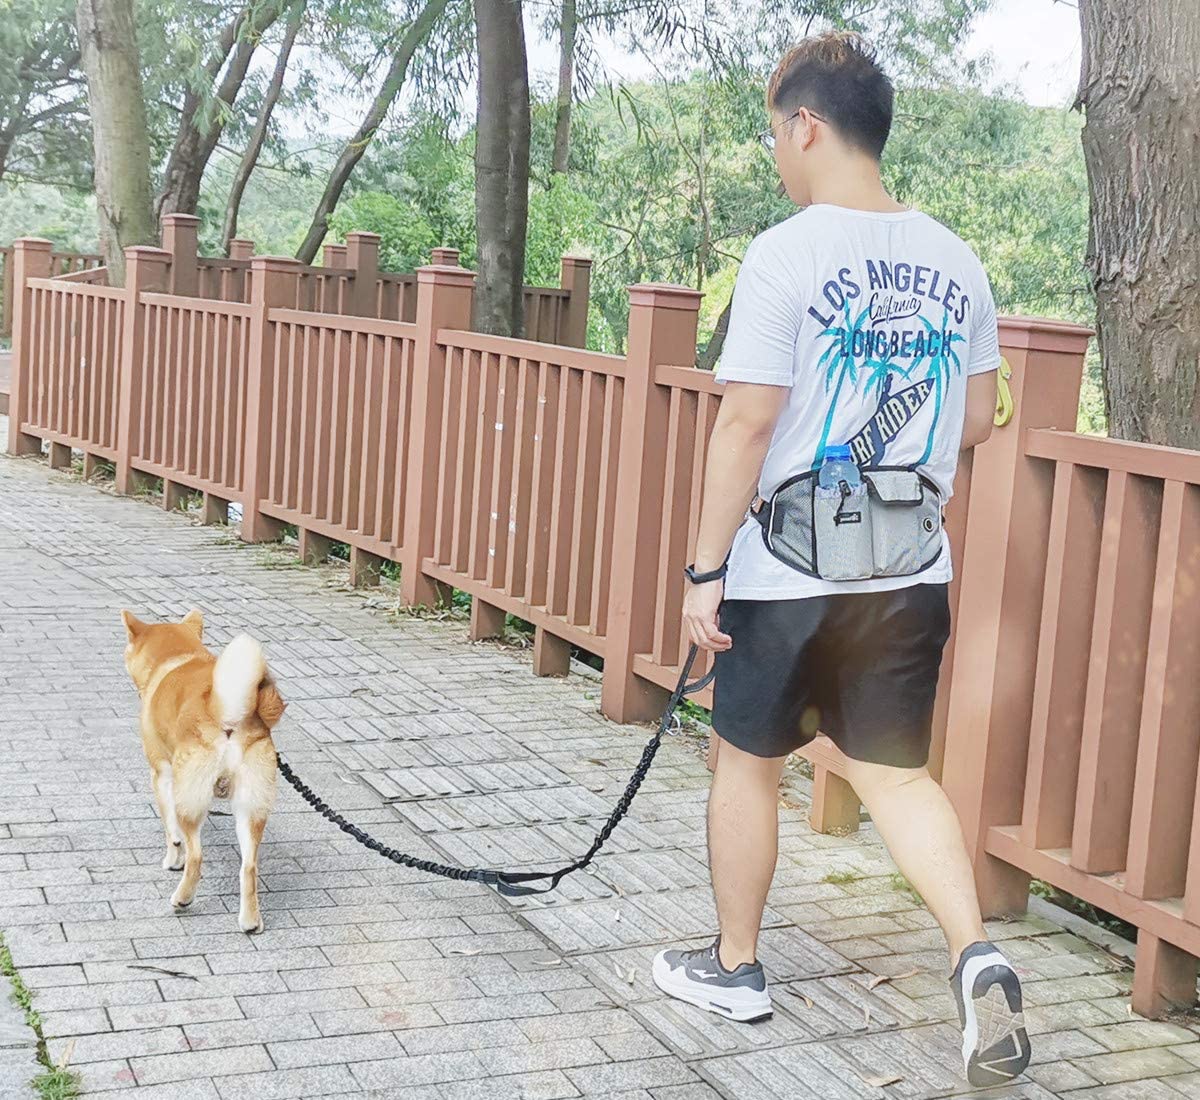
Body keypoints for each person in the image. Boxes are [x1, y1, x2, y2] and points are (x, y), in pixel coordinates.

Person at [650, 32, 1029, 1089]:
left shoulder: (787, 252)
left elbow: (746, 423)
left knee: (749, 761)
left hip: (788, 569)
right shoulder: (956, 259)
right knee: (900, 776)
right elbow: (981, 416)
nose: (778, 152)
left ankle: (734, 965)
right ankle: (976, 953)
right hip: (910, 568)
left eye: (778, 133)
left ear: (806, 126)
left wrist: (701, 569)